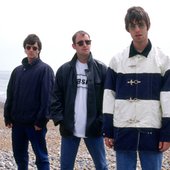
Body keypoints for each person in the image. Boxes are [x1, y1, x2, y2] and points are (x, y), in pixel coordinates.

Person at [103, 6, 170, 170]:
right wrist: (108, 130)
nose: (137, 29)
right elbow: (108, 96)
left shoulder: (163, 60)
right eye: (132, 26)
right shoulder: (117, 60)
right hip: (123, 128)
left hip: (152, 130)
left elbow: (168, 99)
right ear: (128, 29)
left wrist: (167, 133)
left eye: (140, 24)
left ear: (148, 25)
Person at [49, 30, 108, 169]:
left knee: (102, 166)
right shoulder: (64, 70)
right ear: (74, 46)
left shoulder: (102, 69)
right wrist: (61, 120)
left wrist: (101, 121)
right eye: (80, 43)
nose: (84, 45)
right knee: (66, 166)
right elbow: (55, 97)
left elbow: (108, 98)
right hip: (70, 128)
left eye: (87, 42)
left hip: (94, 128)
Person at [4, 34, 54, 170]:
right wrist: (7, 116)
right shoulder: (17, 71)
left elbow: (47, 98)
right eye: (28, 47)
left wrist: (41, 121)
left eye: (34, 48)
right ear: (25, 49)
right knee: (19, 156)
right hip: (17, 123)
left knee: (41, 158)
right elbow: (10, 95)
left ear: (39, 50)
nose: (31, 50)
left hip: (35, 125)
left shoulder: (45, 70)